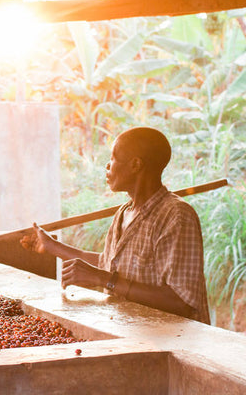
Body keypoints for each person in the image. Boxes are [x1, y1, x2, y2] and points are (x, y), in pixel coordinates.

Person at [21, 126, 210, 324]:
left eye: (112, 158)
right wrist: (53, 247)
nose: (107, 166)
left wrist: (103, 280)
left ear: (135, 165)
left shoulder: (176, 216)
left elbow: (180, 302)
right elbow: (108, 264)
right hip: (129, 335)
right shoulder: (124, 213)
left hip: (171, 344)